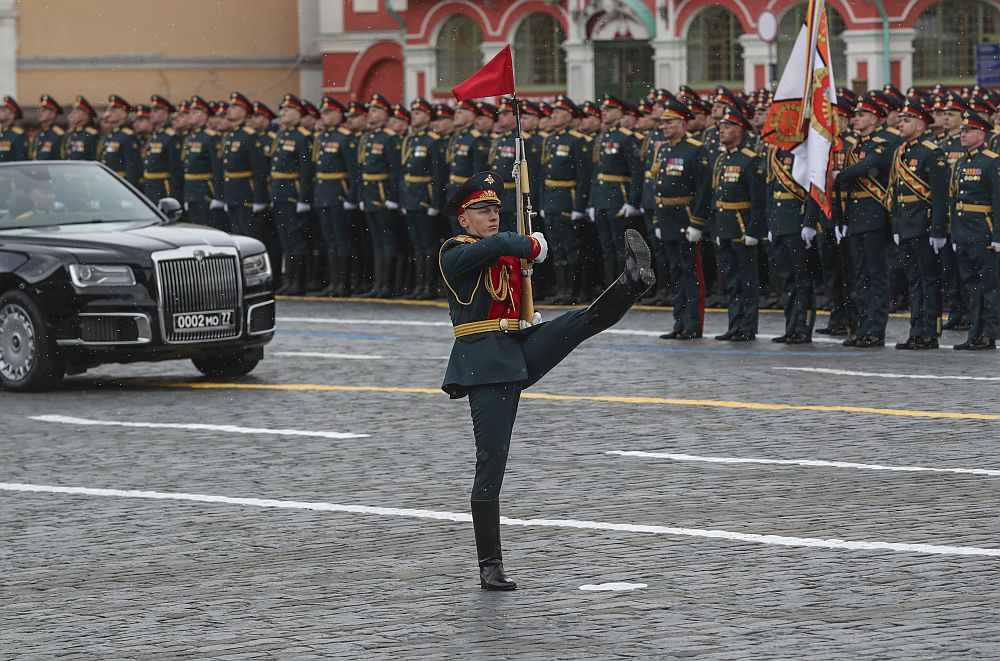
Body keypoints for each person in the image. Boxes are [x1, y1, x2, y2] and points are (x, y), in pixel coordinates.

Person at [439, 171, 654, 591]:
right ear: (464, 220)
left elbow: (507, 257)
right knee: (491, 462)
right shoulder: (454, 253)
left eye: (497, 209)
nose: (493, 216)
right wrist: (532, 244)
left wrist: (525, 302)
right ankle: (490, 564)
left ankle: (631, 282)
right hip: (486, 364)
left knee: (578, 322)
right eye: (482, 211)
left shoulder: (501, 254)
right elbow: (501, 245)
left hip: (518, 345)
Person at [888, 98, 949, 349]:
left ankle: (929, 332)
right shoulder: (903, 152)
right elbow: (897, 194)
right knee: (914, 281)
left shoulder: (931, 152)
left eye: (907, 120)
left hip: (923, 227)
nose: (901, 124)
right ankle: (916, 330)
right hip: (906, 226)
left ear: (921, 126)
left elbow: (940, 196)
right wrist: (896, 227)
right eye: (900, 120)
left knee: (927, 279)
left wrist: (937, 229)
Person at [834, 93, 894, 347]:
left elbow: (864, 168)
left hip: (874, 218)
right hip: (857, 218)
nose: (856, 119)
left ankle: (876, 330)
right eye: (855, 115)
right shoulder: (857, 145)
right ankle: (862, 328)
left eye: (861, 115)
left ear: (874, 118)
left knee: (876, 276)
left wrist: (837, 174)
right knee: (860, 276)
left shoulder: (882, 143)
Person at [654, 100, 710, 340]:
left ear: (683, 123)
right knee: (675, 273)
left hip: (686, 219)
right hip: (668, 219)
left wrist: (697, 222)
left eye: (670, 122)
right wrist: (657, 220)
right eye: (663, 122)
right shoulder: (665, 149)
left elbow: (704, 189)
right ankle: (679, 322)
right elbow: (659, 188)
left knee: (691, 273)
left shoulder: (695, 149)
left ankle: (693, 325)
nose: (664, 126)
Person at [709, 107, 765, 341]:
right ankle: (734, 324)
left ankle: (748, 326)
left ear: (740, 130)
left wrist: (753, 229)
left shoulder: (750, 160)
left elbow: (758, 200)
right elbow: (717, 196)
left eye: (727, 127)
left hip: (742, 228)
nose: (722, 131)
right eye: (720, 127)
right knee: (731, 280)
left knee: (747, 280)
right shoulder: (723, 158)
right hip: (725, 227)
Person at [950, 110, 1000, 350]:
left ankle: (988, 334)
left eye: (968, 131)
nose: (963, 135)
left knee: (988, 286)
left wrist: (998, 235)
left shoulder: (992, 161)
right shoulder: (961, 162)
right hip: (964, 232)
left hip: (984, 232)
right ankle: (974, 333)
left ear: (981, 133)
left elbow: (998, 201)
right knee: (970, 285)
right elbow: (955, 199)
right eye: (962, 131)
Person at [538, 95, 591, 304]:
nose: (554, 115)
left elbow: (583, 177)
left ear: (569, 116)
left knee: (571, 246)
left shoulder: (576, 141)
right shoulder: (550, 140)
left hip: (567, 199)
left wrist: (579, 206)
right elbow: (544, 175)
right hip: (551, 199)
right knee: (556, 247)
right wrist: (542, 203)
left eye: (559, 112)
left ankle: (572, 290)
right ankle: (561, 290)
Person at [589, 94, 643, 284]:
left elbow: (637, 172)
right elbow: (596, 171)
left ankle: (625, 285)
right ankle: (609, 285)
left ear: (619, 113)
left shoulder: (627, 138)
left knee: (622, 246)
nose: (604, 113)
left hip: (618, 197)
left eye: (609, 110)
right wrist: (591, 202)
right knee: (606, 246)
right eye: (603, 110)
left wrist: (632, 201)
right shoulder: (603, 137)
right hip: (601, 197)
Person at [400, 97, 447, 299]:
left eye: (418, 113)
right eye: (413, 113)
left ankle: (429, 285)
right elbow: (405, 172)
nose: (414, 116)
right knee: (416, 244)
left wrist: (435, 202)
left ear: (428, 117)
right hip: (411, 197)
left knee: (429, 244)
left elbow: (438, 175)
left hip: (424, 199)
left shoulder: (433, 141)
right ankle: (419, 285)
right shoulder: (412, 140)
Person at [269, 93, 316, 295]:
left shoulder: (303, 137)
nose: (283, 113)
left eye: (288, 110)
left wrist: (304, 198)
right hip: (279, 193)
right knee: (285, 239)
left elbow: (306, 170)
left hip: (292, 194)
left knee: (296, 240)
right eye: (282, 110)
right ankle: (289, 280)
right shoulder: (281, 136)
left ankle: (299, 281)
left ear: (298, 114)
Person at [313, 95, 359, 297]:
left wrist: (350, 197)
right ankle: (333, 282)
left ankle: (344, 282)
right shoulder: (321, 138)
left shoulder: (345, 138)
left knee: (342, 240)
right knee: (329, 240)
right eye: (322, 113)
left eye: (328, 112)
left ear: (339, 115)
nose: (324, 116)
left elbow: (353, 172)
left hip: (338, 194)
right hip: (323, 194)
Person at [356, 93, 401, 298]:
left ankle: (388, 284)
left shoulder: (389, 138)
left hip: (382, 195)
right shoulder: (367, 137)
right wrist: (361, 196)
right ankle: (379, 283)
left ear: (385, 114)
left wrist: (392, 197)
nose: (371, 113)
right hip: (370, 194)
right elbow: (360, 170)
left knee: (387, 241)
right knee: (376, 241)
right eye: (370, 110)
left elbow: (395, 171)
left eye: (375, 110)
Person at [221, 92, 270, 239]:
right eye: (230, 106)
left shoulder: (249, 135)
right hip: (232, 194)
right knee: (236, 236)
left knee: (249, 236)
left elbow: (259, 169)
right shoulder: (230, 135)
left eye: (234, 107)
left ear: (244, 112)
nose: (229, 109)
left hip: (246, 194)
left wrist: (260, 199)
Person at [181, 96, 225, 230]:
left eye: (195, 113)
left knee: (208, 227)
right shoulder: (189, 138)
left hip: (205, 190)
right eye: (190, 112)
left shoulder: (210, 137)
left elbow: (217, 169)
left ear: (204, 115)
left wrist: (219, 196)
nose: (190, 116)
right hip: (191, 191)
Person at [141, 95, 184, 203]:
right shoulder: (155, 136)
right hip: (150, 187)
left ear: (166, 113)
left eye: (156, 110)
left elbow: (176, 170)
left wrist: (174, 196)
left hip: (164, 188)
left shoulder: (171, 136)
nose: (152, 114)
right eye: (151, 110)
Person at [98, 95, 142, 187]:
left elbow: (132, 169)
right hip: (108, 182)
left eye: (113, 111)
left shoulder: (128, 136)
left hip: (120, 184)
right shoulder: (112, 135)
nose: (109, 114)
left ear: (123, 114)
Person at [61, 96, 99, 161]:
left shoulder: (91, 135)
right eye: (72, 112)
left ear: (85, 116)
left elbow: (94, 159)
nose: (72, 114)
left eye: (76, 112)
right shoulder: (70, 134)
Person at [29, 95, 64, 161]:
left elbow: (59, 160)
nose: (40, 113)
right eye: (39, 110)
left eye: (44, 110)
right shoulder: (37, 134)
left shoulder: (58, 135)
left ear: (53, 114)